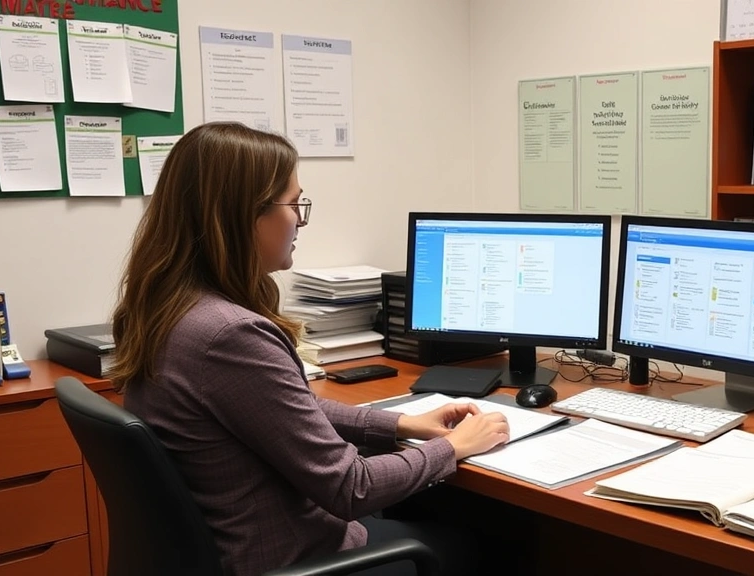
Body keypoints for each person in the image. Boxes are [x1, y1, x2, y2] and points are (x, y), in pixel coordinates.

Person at [110, 122, 510, 576]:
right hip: (292, 559)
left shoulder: (170, 310)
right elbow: (351, 488)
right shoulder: (229, 336)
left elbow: (291, 408)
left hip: (241, 547)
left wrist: (404, 423)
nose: (301, 220)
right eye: (293, 203)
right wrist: (453, 447)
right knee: (490, 543)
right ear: (243, 215)